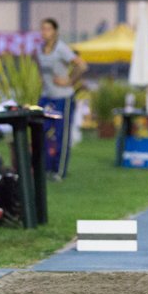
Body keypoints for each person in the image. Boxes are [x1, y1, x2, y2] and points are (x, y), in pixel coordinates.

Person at [36, 18, 87, 179]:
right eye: (43, 29)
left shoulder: (61, 49)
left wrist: (70, 81)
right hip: (46, 96)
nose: (45, 32)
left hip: (62, 97)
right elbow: (42, 70)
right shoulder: (39, 50)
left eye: (48, 29)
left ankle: (59, 171)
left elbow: (82, 65)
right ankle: (44, 167)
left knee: (61, 134)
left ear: (55, 32)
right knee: (40, 130)